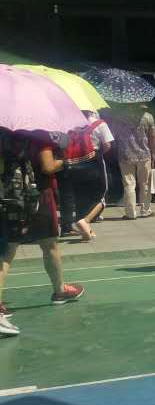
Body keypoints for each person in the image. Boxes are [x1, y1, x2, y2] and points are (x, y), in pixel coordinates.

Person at [0, 128, 85, 327]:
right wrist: (65, 162)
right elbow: (47, 166)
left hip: (11, 197)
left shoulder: (5, 134)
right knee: (49, 245)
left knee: (7, 251)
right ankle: (60, 291)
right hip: (39, 196)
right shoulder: (39, 136)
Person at [60, 112, 110, 243]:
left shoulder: (68, 124)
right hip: (94, 164)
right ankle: (85, 221)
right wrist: (96, 155)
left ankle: (86, 231)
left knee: (80, 198)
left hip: (74, 166)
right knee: (101, 197)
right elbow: (107, 145)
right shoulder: (99, 123)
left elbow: (62, 145)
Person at [111, 103, 155, 220]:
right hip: (144, 154)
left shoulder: (119, 116)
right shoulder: (148, 116)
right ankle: (145, 210)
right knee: (145, 183)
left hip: (125, 154)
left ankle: (130, 213)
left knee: (129, 184)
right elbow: (152, 136)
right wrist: (153, 153)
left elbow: (114, 134)